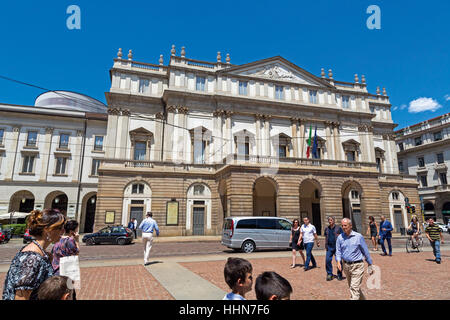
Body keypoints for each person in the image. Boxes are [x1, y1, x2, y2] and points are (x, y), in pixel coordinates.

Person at [2, 209, 66, 300]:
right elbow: (21, 297)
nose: (63, 231)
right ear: (47, 229)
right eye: (59, 228)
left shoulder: (39, 253)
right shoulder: (32, 258)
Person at [336, 218, 374, 300]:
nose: (343, 227)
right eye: (342, 225)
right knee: (354, 288)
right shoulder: (340, 238)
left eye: (345, 225)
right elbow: (338, 251)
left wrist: (370, 264)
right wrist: (338, 262)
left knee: (354, 288)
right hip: (346, 266)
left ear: (350, 226)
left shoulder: (358, 236)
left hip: (357, 265)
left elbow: (365, 252)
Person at [324, 216, 344, 281]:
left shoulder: (338, 228)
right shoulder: (326, 229)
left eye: (331, 220)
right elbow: (325, 237)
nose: (330, 221)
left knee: (339, 261)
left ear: (334, 221)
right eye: (329, 220)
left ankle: (339, 274)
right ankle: (329, 274)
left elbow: (343, 237)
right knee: (327, 260)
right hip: (329, 247)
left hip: (337, 247)